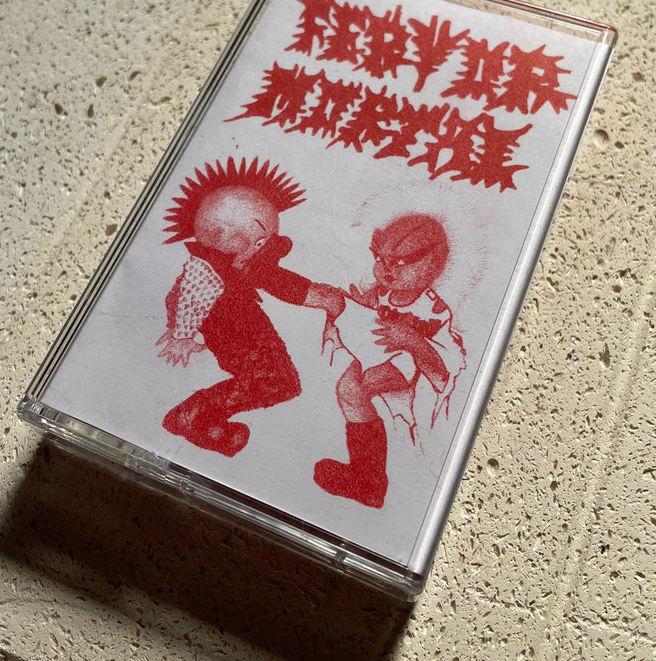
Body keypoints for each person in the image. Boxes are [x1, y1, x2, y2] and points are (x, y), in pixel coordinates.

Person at [156, 157, 342, 456]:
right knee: (277, 380)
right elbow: (185, 298)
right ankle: (193, 413)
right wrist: (181, 333)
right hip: (237, 330)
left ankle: (205, 421)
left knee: (274, 380)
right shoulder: (209, 271)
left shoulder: (229, 266)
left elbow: (278, 281)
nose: (263, 245)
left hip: (240, 329)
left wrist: (318, 296)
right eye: (259, 237)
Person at [314, 213, 464, 508]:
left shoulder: (433, 309)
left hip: (404, 363)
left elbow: (440, 361)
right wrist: (362, 304)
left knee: (361, 386)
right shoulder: (382, 291)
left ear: (433, 266)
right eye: (381, 260)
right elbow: (373, 311)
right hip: (375, 351)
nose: (387, 270)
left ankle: (372, 483)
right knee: (348, 390)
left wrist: (409, 339)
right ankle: (364, 474)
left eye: (400, 263)